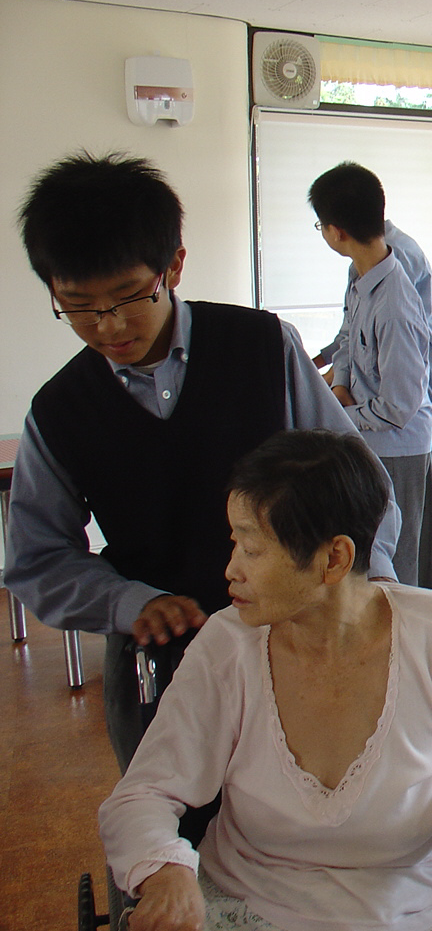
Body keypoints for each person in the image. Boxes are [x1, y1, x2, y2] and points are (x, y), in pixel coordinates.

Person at [5, 152, 400, 772]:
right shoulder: (60, 410)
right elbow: (37, 559)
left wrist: (367, 591)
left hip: (294, 635)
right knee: (169, 809)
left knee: (311, 792)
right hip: (161, 659)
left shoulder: (261, 347)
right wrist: (128, 603)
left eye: (128, 296)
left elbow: (359, 484)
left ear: (174, 265)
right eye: (78, 305)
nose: (108, 326)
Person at [99, 429, 432, 931]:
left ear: (335, 558)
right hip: (250, 903)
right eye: (235, 543)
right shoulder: (227, 646)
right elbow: (143, 793)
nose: (230, 570)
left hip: (412, 908)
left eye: (252, 550)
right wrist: (164, 871)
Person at [313, 188, 432, 593]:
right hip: (382, 412)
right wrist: (338, 382)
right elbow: (349, 334)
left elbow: (400, 398)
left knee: (423, 527)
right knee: (388, 537)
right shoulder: (363, 267)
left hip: (422, 401)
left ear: (337, 230)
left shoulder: (399, 265)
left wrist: (340, 416)